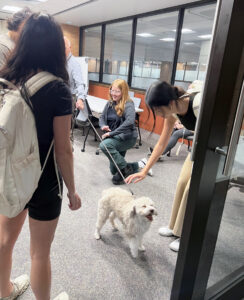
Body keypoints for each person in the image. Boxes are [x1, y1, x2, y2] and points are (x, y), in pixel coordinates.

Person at [0, 13, 81, 300]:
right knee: (39, 253)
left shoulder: (7, 79)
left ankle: (5, 291)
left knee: (4, 242)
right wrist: (72, 190)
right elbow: (63, 150)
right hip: (44, 182)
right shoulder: (58, 88)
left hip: (10, 174)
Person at [126, 80, 201, 252]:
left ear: (171, 101)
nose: (158, 114)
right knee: (182, 183)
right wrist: (144, 170)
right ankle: (175, 228)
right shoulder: (172, 113)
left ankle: (186, 236)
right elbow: (161, 144)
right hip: (198, 144)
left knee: (193, 189)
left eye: (159, 109)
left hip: (209, 147)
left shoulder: (197, 104)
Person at [99, 79, 152, 185]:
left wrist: (111, 134)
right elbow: (102, 117)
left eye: (117, 91)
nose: (113, 94)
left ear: (123, 92)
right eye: (112, 90)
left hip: (127, 138)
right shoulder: (110, 102)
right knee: (114, 172)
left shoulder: (128, 104)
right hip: (115, 137)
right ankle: (140, 164)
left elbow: (129, 122)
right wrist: (103, 125)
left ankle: (127, 168)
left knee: (104, 145)